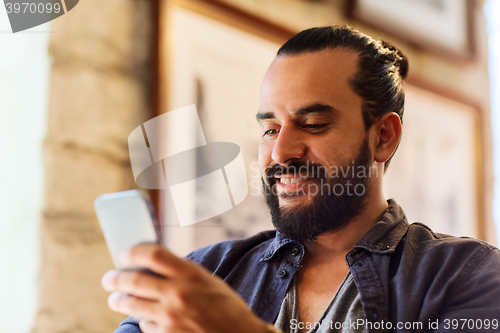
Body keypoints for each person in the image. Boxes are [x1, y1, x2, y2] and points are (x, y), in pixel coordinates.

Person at [101, 26, 500, 333]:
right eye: (270, 129)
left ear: (383, 137)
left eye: (312, 124)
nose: (280, 153)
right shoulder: (206, 275)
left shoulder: (468, 275)